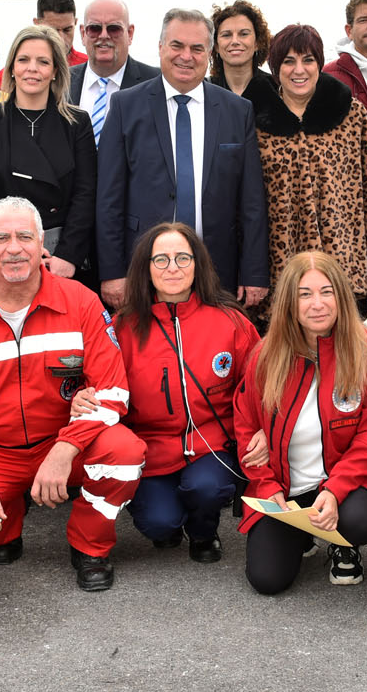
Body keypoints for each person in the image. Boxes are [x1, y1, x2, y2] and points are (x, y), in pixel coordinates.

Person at [0, 197, 145, 592]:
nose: (14, 248)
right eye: (2, 238)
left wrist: (64, 450)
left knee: (125, 455)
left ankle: (89, 545)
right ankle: (6, 520)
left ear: (42, 243)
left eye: (25, 237)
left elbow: (114, 391)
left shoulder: (81, 301)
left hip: (62, 443)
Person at [234, 251, 367, 593]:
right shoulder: (265, 355)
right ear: (289, 303)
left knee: (358, 521)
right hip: (285, 488)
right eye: (304, 294)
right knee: (267, 580)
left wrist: (336, 490)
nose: (317, 304)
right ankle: (304, 530)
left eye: (326, 292)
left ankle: (342, 542)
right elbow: (245, 426)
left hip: (343, 484)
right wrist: (267, 486)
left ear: (341, 296)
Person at [101, 222, 262, 561]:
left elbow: (258, 387)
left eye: (182, 258)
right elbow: (105, 393)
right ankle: (171, 521)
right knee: (159, 523)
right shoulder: (122, 328)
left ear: (197, 264)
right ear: (146, 268)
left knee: (205, 488)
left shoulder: (231, 320)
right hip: (151, 449)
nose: (172, 268)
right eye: (161, 259)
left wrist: (261, 431)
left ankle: (203, 531)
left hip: (211, 445)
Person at [96, 9, 269, 309]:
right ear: (160, 47)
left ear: (210, 54)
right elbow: (108, 198)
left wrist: (254, 272)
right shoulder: (125, 106)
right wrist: (112, 272)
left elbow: (251, 200)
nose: (186, 56)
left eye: (197, 48)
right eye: (177, 45)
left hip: (217, 267)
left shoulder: (237, 110)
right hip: (144, 267)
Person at [255, 23, 367, 320]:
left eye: (308, 60)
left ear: (320, 64)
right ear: (275, 68)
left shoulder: (351, 114)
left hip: (342, 261)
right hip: (279, 265)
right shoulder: (255, 121)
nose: (299, 70)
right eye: (289, 61)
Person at [0, 25, 96, 286]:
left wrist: (68, 255)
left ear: (55, 71)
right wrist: (11, 241)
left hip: (60, 259)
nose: (32, 68)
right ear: (12, 68)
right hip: (4, 254)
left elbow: (86, 194)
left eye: (43, 62)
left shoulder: (77, 122)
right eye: (23, 60)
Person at [68, 0, 160, 144]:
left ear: (130, 33)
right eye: (95, 28)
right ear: (83, 34)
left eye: (114, 29)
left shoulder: (156, 83)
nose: (104, 35)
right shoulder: (61, 82)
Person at [210, 0, 278, 114]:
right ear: (216, 45)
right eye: (226, 35)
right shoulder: (204, 91)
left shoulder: (276, 89)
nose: (235, 41)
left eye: (244, 34)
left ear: (257, 42)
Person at [34, 0, 87, 67]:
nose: (61, 39)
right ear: (37, 24)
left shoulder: (88, 67)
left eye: (67, 30)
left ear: (75, 22)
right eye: (53, 31)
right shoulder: (21, 67)